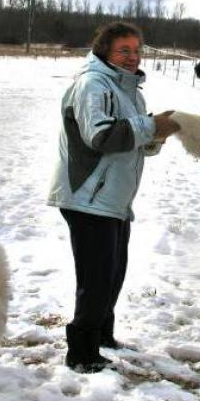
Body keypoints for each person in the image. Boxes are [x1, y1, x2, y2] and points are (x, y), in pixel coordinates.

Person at [48, 21, 180, 373]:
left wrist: (155, 136)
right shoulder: (94, 85)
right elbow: (101, 138)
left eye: (136, 51)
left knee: (113, 273)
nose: (131, 57)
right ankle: (81, 353)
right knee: (95, 279)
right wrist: (151, 126)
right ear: (105, 50)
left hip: (115, 200)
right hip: (88, 198)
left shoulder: (131, 92)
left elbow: (132, 144)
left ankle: (102, 336)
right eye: (124, 50)